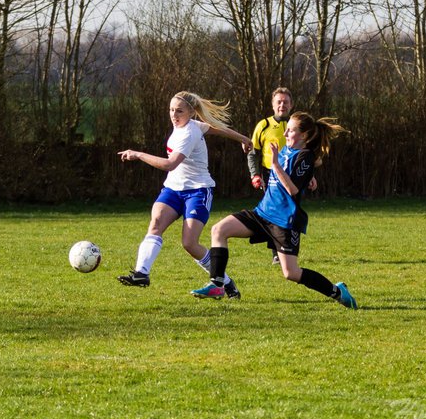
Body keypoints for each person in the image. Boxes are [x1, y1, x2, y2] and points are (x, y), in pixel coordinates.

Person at [192, 111, 356, 309]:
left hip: (284, 221)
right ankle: (217, 284)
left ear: (303, 135)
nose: (285, 133)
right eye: (286, 130)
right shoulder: (288, 149)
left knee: (291, 273)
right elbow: (296, 173)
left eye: (291, 130)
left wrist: (277, 165)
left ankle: (337, 291)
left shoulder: (305, 156)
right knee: (219, 230)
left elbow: (293, 189)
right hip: (261, 213)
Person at [117, 91, 253, 293]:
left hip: (198, 191)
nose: (173, 114)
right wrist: (243, 138)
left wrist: (138, 154)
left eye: (179, 111)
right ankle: (141, 273)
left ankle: (225, 282)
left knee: (189, 243)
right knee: (155, 224)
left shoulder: (190, 133)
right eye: (171, 110)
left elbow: (170, 164)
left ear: (190, 112)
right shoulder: (191, 127)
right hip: (173, 188)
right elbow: (216, 129)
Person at [246, 87, 315, 264]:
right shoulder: (264, 125)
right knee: (272, 211)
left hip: (290, 175)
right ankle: (276, 253)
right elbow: (253, 152)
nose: (282, 105)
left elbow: (304, 158)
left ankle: (286, 248)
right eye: (279, 101)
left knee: (289, 208)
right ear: (273, 104)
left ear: (291, 104)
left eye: (285, 102)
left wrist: (310, 176)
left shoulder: (296, 125)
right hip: (270, 173)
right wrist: (255, 174)